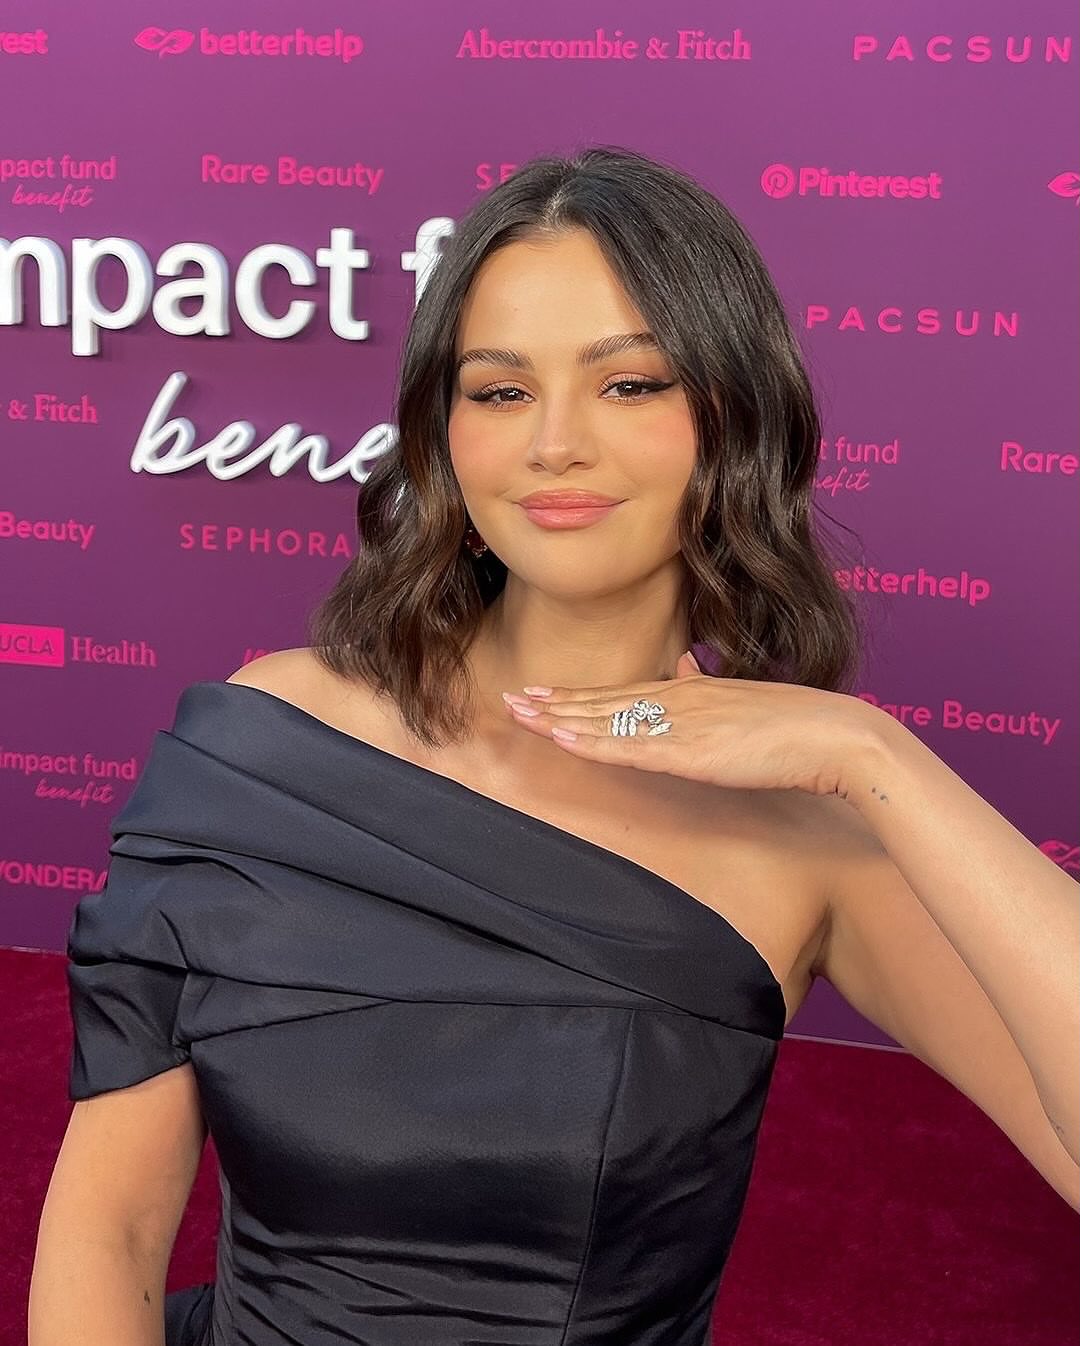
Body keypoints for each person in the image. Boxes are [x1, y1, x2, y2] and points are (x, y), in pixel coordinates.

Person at [29, 145, 1080, 1346]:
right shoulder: (262, 743)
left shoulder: (811, 835)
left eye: (629, 383)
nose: (555, 443)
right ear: (443, 431)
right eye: (500, 391)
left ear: (733, 415)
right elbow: (109, 1227)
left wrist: (881, 758)